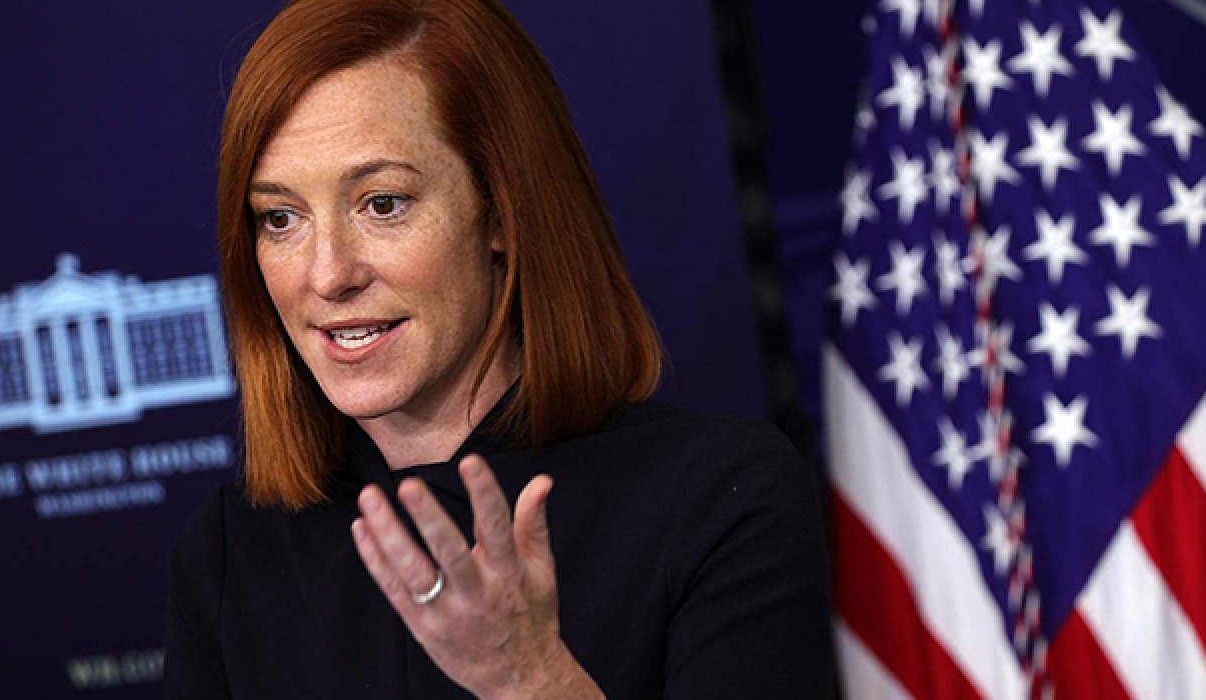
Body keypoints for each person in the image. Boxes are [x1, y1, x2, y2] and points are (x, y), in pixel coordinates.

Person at [164, 0, 832, 697]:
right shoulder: (228, 555)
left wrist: (530, 681)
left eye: (383, 204)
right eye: (281, 217)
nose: (328, 275)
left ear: (503, 212)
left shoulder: (720, 499)